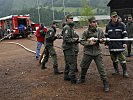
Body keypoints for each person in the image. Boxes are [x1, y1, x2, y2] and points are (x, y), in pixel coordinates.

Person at [78, 16, 109, 92]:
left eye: (95, 22)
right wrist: (89, 42)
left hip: (97, 52)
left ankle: (105, 83)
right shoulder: (86, 32)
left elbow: (103, 39)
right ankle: (82, 78)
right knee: (84, 66)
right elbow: (82, 41)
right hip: (88, 52)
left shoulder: (100, 31)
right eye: (93, 22)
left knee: (101, 68)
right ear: (90, 23)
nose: (95, 23)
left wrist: (102, 40)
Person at [105, 11, 129, 78]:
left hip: (120, 46)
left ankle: (125, 71)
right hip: (112, 46)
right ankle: (116, 70)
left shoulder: (122, 25)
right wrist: (106, 44)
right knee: (114, 59)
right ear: (111, 17)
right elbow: (106, 36)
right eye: (113, 17)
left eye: (116, 16)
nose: (115, 18)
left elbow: (125, 34)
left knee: (122, 59)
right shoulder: (108, 26)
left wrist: (124, 43)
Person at [62, 14, 79, 84]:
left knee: (67, 63)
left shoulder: (69, 27)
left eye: (72, 18)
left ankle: (66, 76)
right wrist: (74, 40)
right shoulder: (67, 27)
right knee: (72, 62)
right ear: (67, 19)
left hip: (67, 47)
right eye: (70, 18)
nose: (72, 19)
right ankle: (73, 78)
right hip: (68, 48)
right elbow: (66, 39)